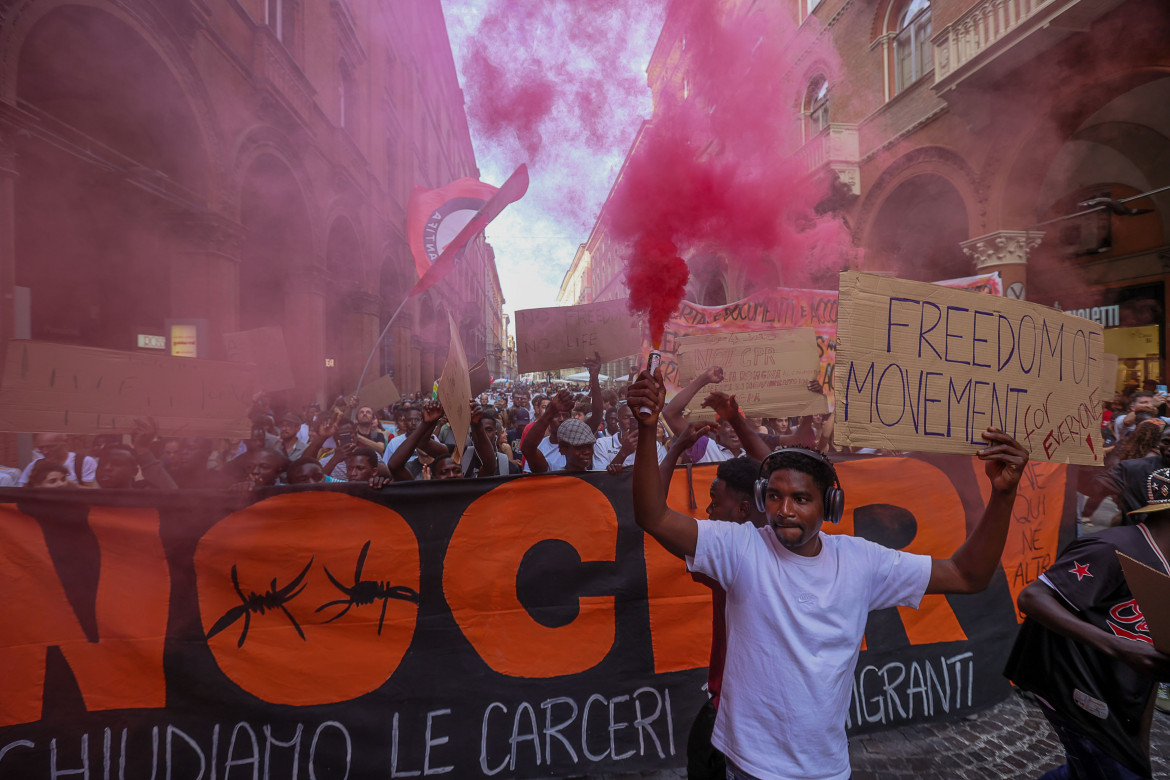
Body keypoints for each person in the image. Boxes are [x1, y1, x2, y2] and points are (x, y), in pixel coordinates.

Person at [628, 367, 1028, 780]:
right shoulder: (740, 548)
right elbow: (652, 515)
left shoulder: (861, 561)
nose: (785, 510)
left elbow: (967, 575)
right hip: (747, 767)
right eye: (776, 497)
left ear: (830, 508)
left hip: (827, 769)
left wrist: (1003, 495)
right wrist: (646, 430)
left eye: (801, 498)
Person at [1006, 468, 1170, 779]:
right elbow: (1032, 598)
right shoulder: (1112, 547)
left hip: (1118, 691)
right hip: (1074, 683)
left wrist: (1141, 745)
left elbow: (1151, 664)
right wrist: (1118, 646)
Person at [18, 432, 97, 486]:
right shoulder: (34, 465)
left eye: (50, 446)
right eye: (41, 448)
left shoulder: (84, 462)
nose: (45, 451)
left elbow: (90, 493)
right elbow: (23, 491)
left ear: (65, 442)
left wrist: (65, 483)